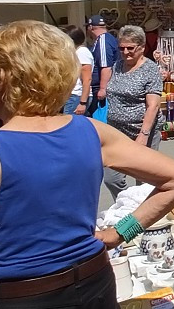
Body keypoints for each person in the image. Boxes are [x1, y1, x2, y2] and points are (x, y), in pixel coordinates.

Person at [0, 20, 174, 309]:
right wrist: (120, 233)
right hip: (92, 297)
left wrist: (119, 233)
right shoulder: (87, 132)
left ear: (1, 77)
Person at [103, 25, 167, 199]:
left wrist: (144, 134)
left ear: (142, 48)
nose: (125, 52)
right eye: (121, 48)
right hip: (117, 133)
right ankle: (126, 205)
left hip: (141, 132)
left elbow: (153, 106)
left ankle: (143, 215)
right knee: (111, 178)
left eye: (130, 48)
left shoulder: (150, 69)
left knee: (143, 180)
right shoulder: (117, 66)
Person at [86, 14, 118, 119]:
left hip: (100, 88)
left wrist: (103, 88)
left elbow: (106, 66)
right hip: (98, 87)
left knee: (99, 118)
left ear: (90, 27)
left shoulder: (103, 40)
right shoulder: (104, 39)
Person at [62, 25, 94, 116]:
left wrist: (82, 103)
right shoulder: (75, 52)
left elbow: (87, 79)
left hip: (77, 96)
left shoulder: (82, 52)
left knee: (69, 126)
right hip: (72, 95)